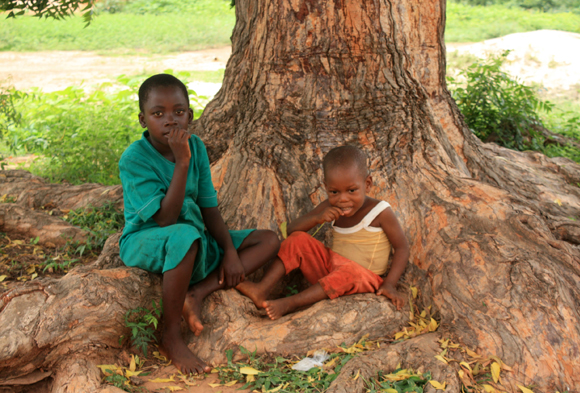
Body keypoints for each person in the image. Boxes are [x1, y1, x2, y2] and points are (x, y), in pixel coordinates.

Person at [118, 74, 280, 374]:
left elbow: (209, 208)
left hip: (195, 239)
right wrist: (181, 162)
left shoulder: (197, 147)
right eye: (158, 114)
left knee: (268, 240)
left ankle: (198, 292)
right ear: (143, 119)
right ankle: (171, 336)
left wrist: (230, 252)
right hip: (147, 239)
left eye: (179, 112)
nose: (170, 120)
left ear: (190, 115)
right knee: (184, 235)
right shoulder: (134, 159)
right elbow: (165, 218)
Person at [237, 145, 409, 320]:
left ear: (367, 184)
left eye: (352, 190)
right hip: (331, 270)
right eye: (334, 192)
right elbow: (291, 231)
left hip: (363, 278)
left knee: (349, 272)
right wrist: (318, 218)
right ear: (326, 187)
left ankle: (290, 303)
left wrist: (389, 284)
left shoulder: (380, 211)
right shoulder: (329, 205)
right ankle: (262, 289)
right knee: (298, 239)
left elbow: (402, 248)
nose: (343, 199)